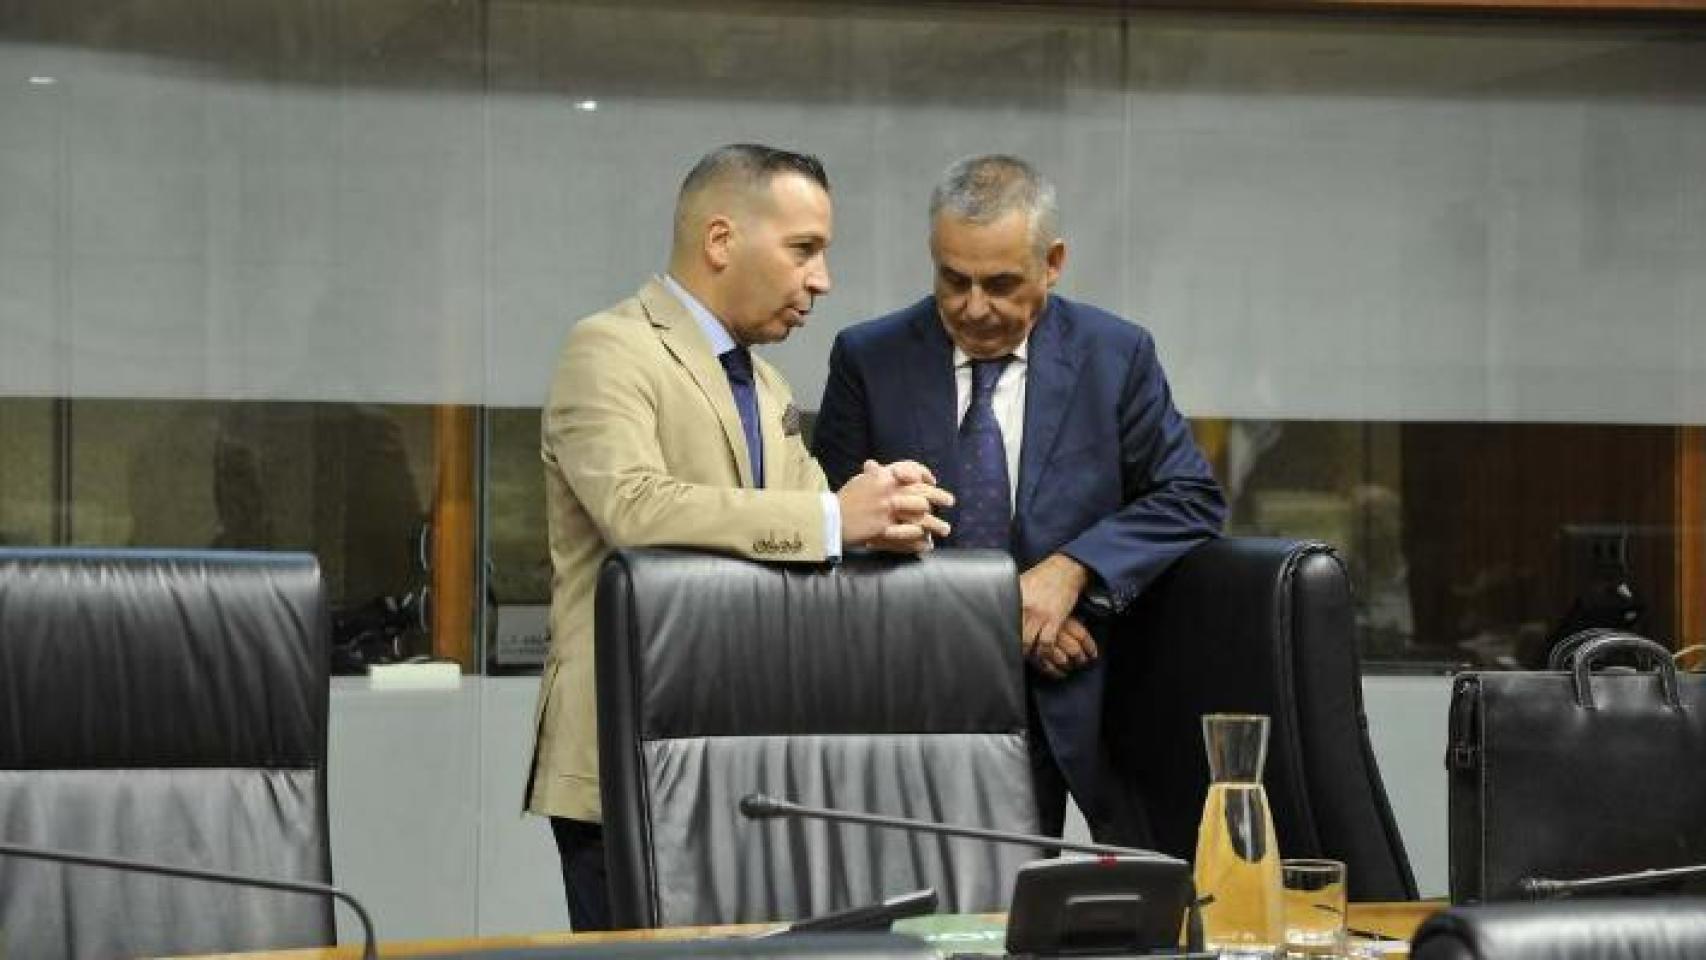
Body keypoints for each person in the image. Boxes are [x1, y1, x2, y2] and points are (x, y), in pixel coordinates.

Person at [527, 144, 952, 931]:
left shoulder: (765, 382)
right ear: (721, 240)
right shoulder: (610, 347)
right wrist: (834, 519)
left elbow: (806, 529)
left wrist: (880, 513)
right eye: (804, 250)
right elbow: (636, 509)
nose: (821, 280)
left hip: (742, 759)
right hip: (625, 754)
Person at [812, 155, 1226, 845]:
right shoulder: (868, 359)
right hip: (922, 704)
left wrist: (1070, 574)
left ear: (1053, 262)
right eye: (954, 280)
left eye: (1001, 284)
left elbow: (1189, 498)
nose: (975, 307)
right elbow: (833, 535)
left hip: (1085, 698)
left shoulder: (1113, 356)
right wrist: (1004, 613)